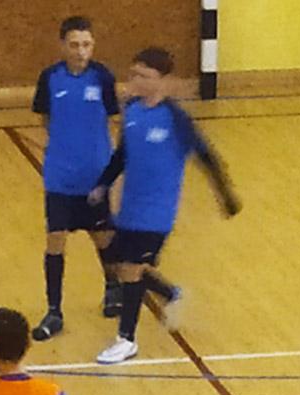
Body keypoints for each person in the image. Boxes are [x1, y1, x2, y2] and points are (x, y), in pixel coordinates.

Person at [89, 48, 242, 365]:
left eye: (144, 76)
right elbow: (122, 155)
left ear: (162, 80)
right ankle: (171, 293)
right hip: (130, 206)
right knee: (120, 264)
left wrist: (225, 194)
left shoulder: (176, 118)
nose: (136, 81)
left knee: (131, 269)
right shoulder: (132, 111)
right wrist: (102, 184)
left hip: (157, 211)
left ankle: (126, 339)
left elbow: (206, 156)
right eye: (134, 74)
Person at [30, 16, 123, 341]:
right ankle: (54, 310)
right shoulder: (50, 78)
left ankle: (112, 287)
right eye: (74, 45)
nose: (81, 51)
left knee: (102, 237)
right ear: (62, 46)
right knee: (55, 238)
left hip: (94, 176)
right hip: (60, 177)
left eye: (86, 45)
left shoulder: (102, 77)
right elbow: (44, 117)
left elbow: (113, 117)